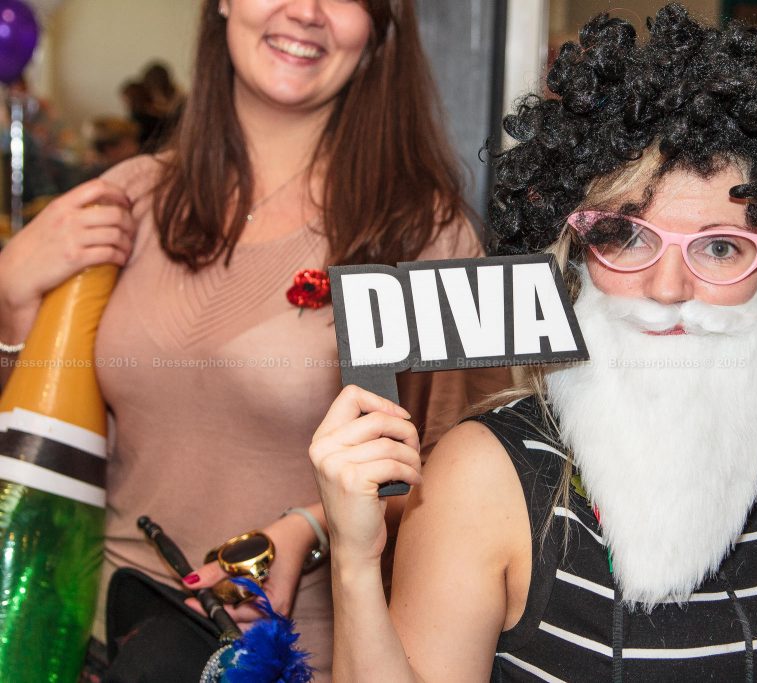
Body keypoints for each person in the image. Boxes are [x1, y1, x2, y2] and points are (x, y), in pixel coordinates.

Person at [309, 6, 757, 681]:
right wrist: (354, 562)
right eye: (628, 235)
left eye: (723, 245)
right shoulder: (486, 478)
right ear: (575, 250)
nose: (667, 285)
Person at [0, 0, 505, 677]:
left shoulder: (425, 234)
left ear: (381, 26)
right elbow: (40, 446)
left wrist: (314, 528)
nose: (305, 11)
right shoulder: (132, 198)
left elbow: (463, 478)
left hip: (291, 660)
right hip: (97, 645)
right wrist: (9, 303)